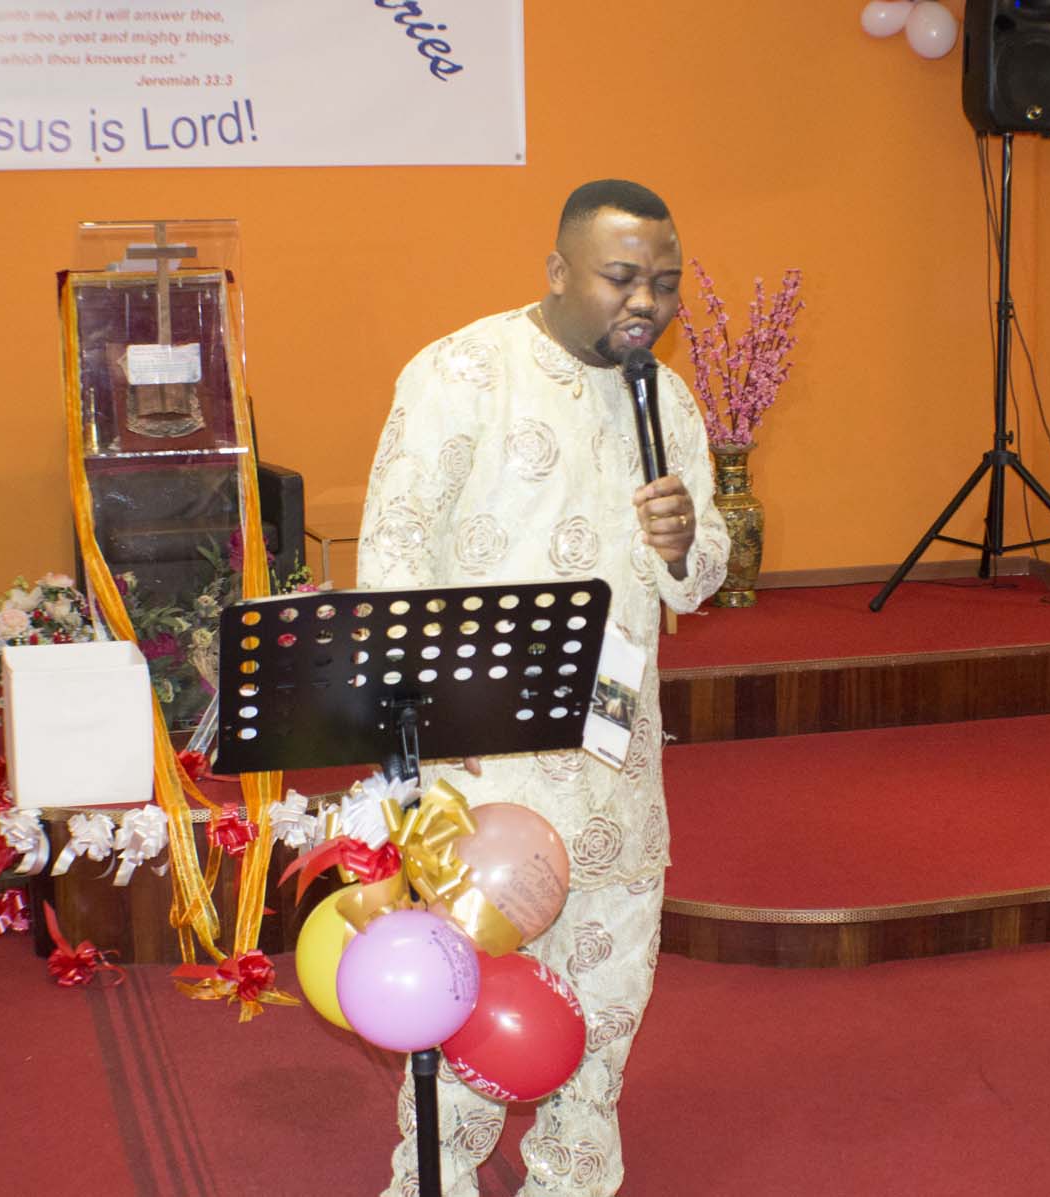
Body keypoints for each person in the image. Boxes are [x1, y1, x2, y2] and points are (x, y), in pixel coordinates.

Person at [357, 178, 727, 1196]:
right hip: (486, 762)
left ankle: (572, 1175)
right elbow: (393, 556)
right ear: (558, 269)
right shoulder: (462, 372)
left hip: (615, 760)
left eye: (664, 282)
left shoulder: (669, 399)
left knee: (609, 985)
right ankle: (437, 1175)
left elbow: (701, 577)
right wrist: (425, 736)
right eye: (621, 277)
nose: (645, 302)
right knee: (466, 984)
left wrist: (684, 544)